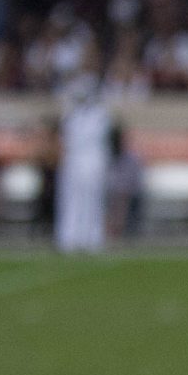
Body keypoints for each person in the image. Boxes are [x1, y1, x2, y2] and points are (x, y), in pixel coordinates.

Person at [55, 73, 112, 253]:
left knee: (93, 201)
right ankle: (69, 238)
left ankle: (92, 238)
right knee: (71, 200)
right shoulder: (71, 115)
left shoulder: (100, 116)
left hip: (92, 162)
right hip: (74, 162)